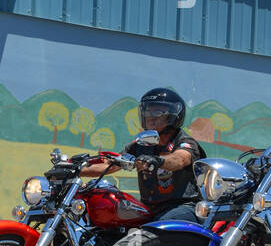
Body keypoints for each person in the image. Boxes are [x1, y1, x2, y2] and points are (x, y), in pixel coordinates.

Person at [81, 87, 204, 221]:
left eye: (158, 111)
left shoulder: (184, 141)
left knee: (153, 230)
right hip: (149, 208)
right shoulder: (142, 144)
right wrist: (75, 170)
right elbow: (111, 164)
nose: (151, 116)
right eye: (148, 110)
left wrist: (158, 161)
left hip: (182, 207)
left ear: (173, 115)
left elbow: (180, 159)